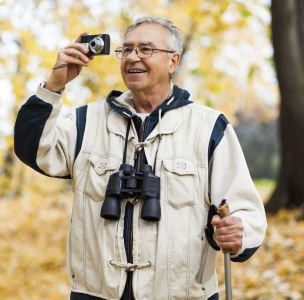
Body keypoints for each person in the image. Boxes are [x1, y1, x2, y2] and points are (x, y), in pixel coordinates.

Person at [14, 16, 267, 300]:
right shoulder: (86, 122)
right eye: (127, 49)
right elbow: (32, 147)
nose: (133, 57)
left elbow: (245, 209)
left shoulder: (209, 127)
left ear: (173, 61)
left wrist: (239, 231)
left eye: (146, 49)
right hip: (96, 294)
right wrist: (54, 85)